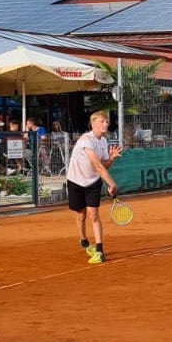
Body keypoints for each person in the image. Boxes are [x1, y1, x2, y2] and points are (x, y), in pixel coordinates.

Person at [66, 111, 122, 264]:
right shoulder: (86, 140)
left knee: (94, 215)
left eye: (107, 122)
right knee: (81, 215)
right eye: (102, 121)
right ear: (93, 123)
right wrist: (112, 183)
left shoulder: (103, 141)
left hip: (93, 182)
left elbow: (104, 165)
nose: (106, 124)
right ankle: (84, 241)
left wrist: (112, 158)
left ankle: (99, 250)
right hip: (75, 181)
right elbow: (98, 166)